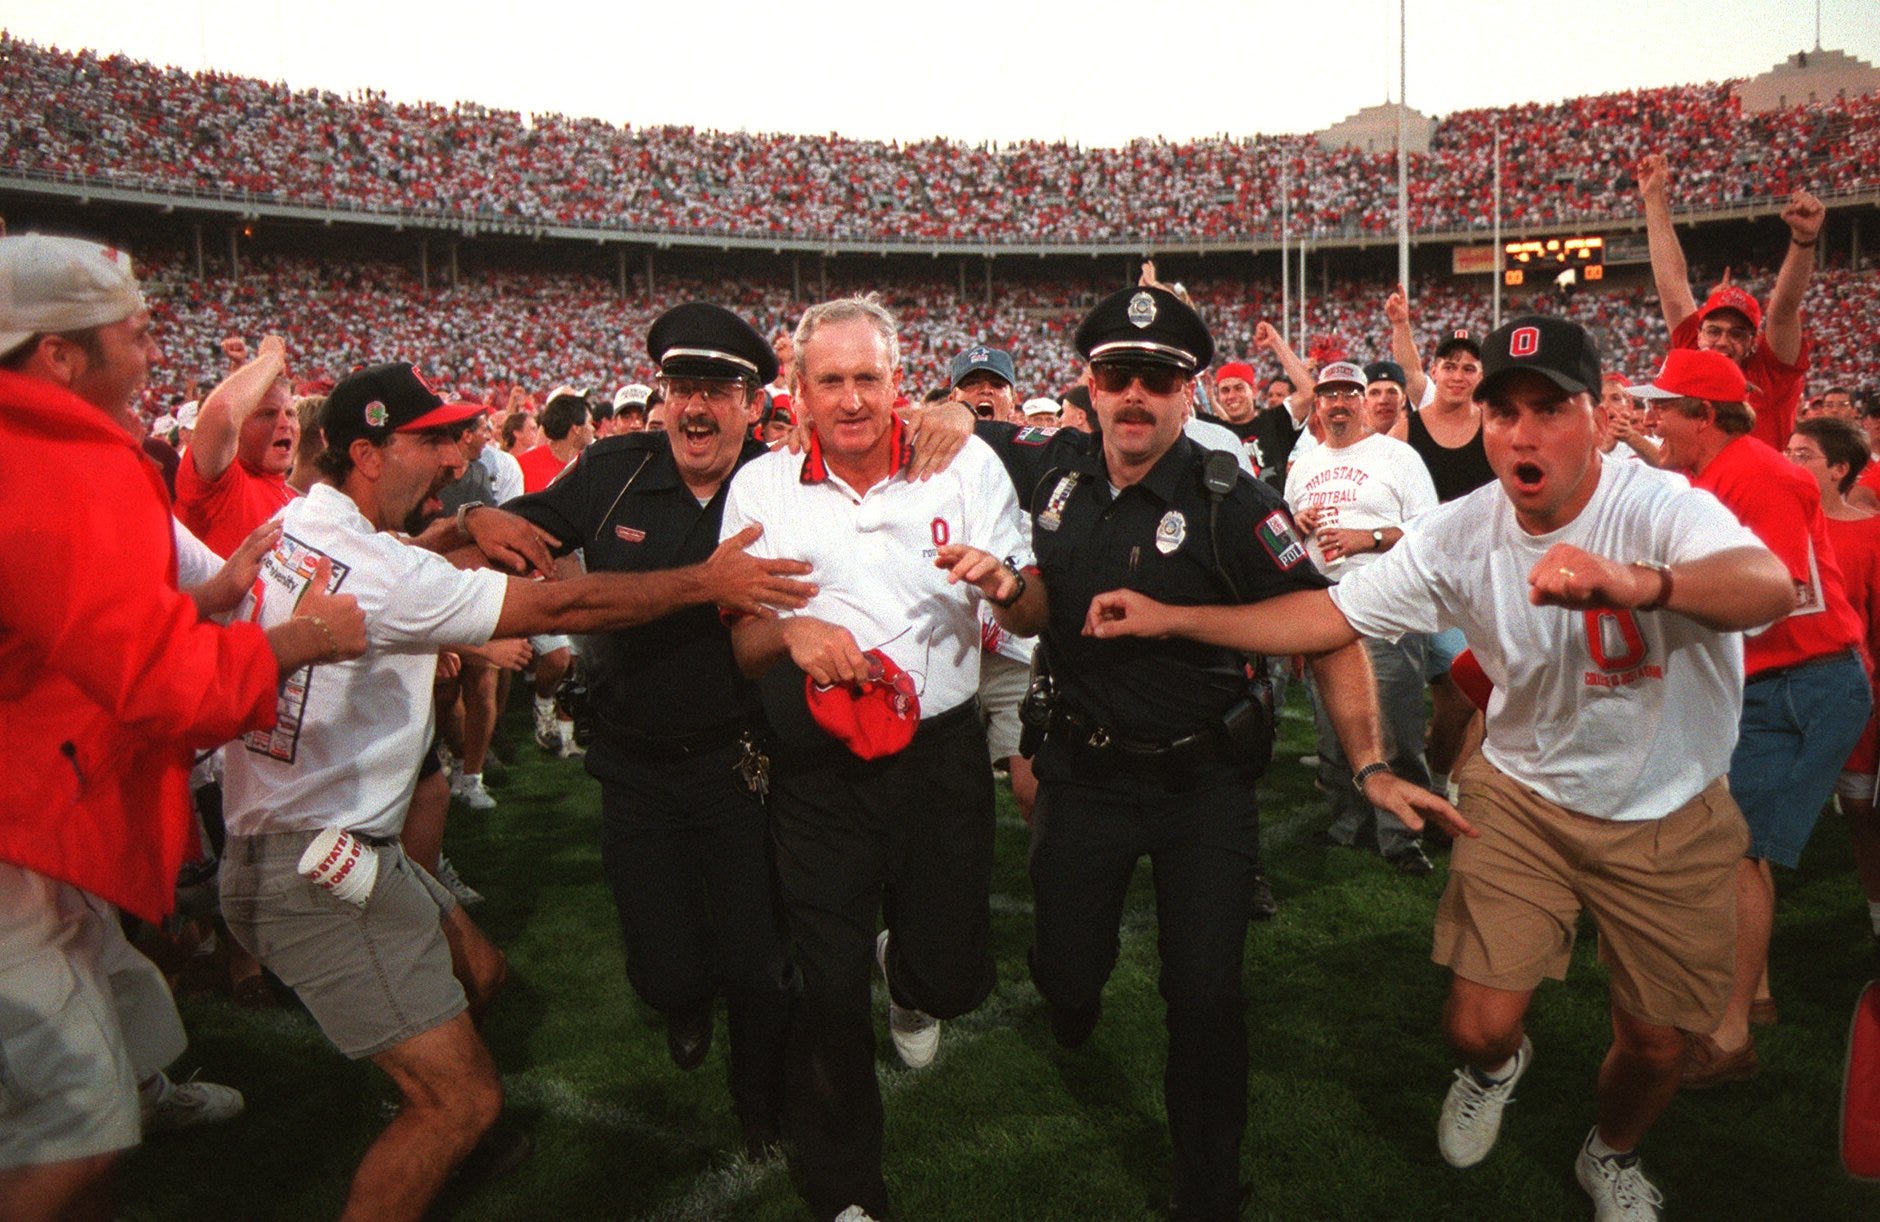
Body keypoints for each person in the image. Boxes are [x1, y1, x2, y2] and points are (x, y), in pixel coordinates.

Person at [1087, 315, 1793, 1222]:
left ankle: (1608, 1154)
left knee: (1660, 1045)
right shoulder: (1459, 531)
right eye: (1503, 412)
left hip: (1669, 801)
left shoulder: (1656, 504)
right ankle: (1501, 1070)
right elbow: (1327, 619)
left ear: (1596, 411)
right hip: (1526, 793)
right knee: (1474, 1027)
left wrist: (1639, 583)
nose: (1523, 433)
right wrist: (1171, 617)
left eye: (1550, 408)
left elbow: (1766, 585)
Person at [218, 360, 816, 1222]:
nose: (456, 458)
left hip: (320, 839)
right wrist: (703, 583)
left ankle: (437, 1130)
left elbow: (389, 559)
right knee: (461, 1103)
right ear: (368, 453)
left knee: (482, 975)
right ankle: (436, 1129)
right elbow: (561, 613)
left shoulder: (298, 523)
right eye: (431, 442)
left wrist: (461, 518)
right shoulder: (381, 566)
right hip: (311, 863)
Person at [974, 286, 1454, 1221]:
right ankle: (1071, 999)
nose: (1136, 396)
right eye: (1118, 376)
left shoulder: (1233, 498)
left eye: (1158, 378)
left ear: (1188, 392)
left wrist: (1368, 764)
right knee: (1066, 973)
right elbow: (964, 446)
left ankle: (1206, 1191)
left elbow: (1329, 626)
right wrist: (995, 565)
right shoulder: (1057, 471)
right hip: (1082, 771)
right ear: (1089, 385)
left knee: (1205, 1001)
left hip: (1204, 784)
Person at [0, 233, 367, 1222]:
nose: (150, 353)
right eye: (132, 333)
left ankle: (140, 1095)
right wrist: (292, 639)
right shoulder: (41, 466)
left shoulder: (31, 445)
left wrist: (208, 599)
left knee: (103, 976)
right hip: (13, 811)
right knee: (74, 1112)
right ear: (59, 357)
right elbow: (156, 683)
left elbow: (64, 632)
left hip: (30, 786)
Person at [721, 294, 1038, 1222]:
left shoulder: (966, 461)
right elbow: (740, 643)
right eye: (832, 380)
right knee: (824, 988)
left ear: (899, 381)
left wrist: (1006, 583)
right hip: (816, 769)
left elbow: (1033, 609)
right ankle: (847, 1193)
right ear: (798, 392)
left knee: (951, 977)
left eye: (869, 377)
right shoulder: (761, 489)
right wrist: (792, 632)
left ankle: (912, 979)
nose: (852, 399)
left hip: (941, 754)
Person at [502, 303, 804, 1159]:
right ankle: (680, 997)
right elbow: (527, 532)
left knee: (758, 962)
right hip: (631, 763)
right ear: (662, 396)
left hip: (740, 763)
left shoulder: (780, 481)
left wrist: (935, 418)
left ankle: (761, 1106)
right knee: (663, 966)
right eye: (681, 387)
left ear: (755, 404)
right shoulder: (614, 470)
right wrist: (478, 522)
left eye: (718, 389)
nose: (696, 408)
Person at [1635, 347, 1870, 1085]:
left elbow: (1781, 593)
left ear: (1704, 414)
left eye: (1664, 407)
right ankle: (1755, 994)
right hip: (1776, 682)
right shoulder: (1718, 471)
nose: (1652, 420)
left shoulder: (1760, 473)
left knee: (1737, 850)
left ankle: (1730, 1038)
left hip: (1803, 680)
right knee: (1741, 846)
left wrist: (1663, 599)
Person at [1285, 360, 1441, 873]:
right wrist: (1296, 521)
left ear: (1364, 402)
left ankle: (1405, 836)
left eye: (1349, 393)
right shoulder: (1304, 464)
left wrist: (1367, 538)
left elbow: (1429, 531)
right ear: (1318, 404)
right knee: (1332, 727)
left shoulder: (1398, 456)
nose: (1338, 403)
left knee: (1395, 721)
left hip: (1385, 603)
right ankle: (1346, 823)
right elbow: (1286, 536)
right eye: (1328, 394)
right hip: (1323, 605)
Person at [1637, 151, 1820, 451]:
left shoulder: (1770, 373)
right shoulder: (1691, 356)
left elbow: (1784, 311)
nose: (1722, 341)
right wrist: (1654, 196)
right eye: (1714, 330)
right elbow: (1671, 284)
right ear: (1699, 333)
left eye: (1737, 333)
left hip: (1752, 496)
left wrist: (1803, 241)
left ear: (1753, 342)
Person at [1783, 417, 1880, 958]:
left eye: (1803, 455)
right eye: (1788, 451)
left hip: (1851, 693)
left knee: (1862, 813)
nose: (1788, 462)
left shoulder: (1871, 532)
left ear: (1840, 470)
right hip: (1776, 686)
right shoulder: (1772, 523)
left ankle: (1875, 914)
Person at [175, 332, 300, 557]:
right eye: (267, 414)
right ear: (238, 429)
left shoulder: (294, 498)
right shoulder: (220, 484)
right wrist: (272, 357)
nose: (285, 424)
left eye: (291, 413)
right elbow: (223, 412)